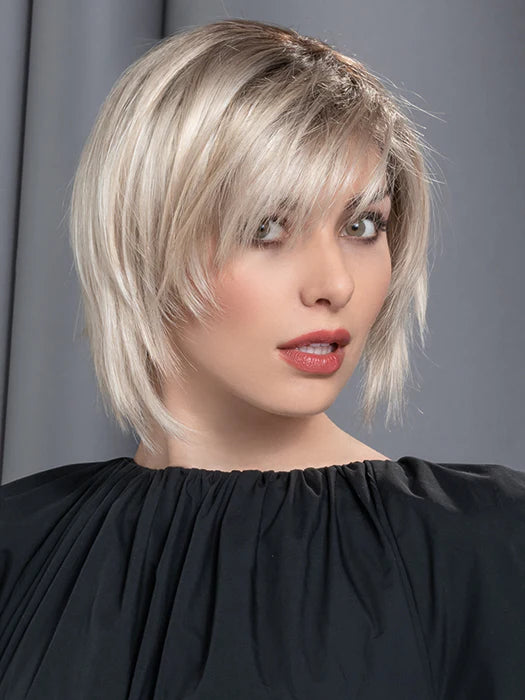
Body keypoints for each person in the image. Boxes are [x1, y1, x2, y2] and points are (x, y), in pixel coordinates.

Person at [1, 17, 524, 700]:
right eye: (266, 228)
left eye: (362, 225)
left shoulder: (488, 543)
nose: (334, 284)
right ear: (144, 239)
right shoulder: (21, 544)